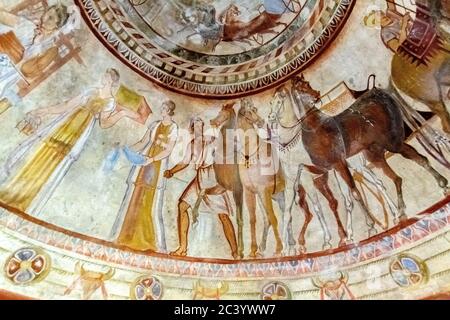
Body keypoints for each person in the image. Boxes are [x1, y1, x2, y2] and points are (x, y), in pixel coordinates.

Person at [0, 68, 134, 215]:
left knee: (54, 162)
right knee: (42, 152)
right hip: (65, 123)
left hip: (80, 131)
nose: (104, 77)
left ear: (112, 81)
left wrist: (121, 114)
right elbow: (66, 105)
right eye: (104, 74)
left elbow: (104, 123)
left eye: (107, 76)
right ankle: (10, 192)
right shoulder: (91, 91)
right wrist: (41, 111)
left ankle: (24, 201)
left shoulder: (110, 102)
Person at [164, 117, 238, 259]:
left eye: (201, 126)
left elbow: (224, 146)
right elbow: (185, 162)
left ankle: (235, 252)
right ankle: (182, 248)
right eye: (197, 126)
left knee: (223, 215)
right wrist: (172, 171)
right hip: (200, 177)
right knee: (182, 206)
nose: (200, 128)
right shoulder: (191, 145)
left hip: (212, 176)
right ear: (192, 128)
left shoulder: (210, 139)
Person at [113, 101, 178, 252]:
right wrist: (127, 148)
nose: (161, 110)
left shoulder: (173, 127)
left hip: (156, 165)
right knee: (136, 196)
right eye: (161, 107)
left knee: (148, 200)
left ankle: (147, 240)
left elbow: (168, 150)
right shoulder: (155, 124)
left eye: (164, 108)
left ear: (169, 110)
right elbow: (143, 141)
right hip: (146, 161)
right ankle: (126, 236)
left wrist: (153, 159)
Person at [0, 3, 76, 113]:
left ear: (57, 25)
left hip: (11, 72)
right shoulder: (28, 25)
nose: (44, 19)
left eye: (50, 18)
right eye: (46, 14)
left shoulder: (51, 48)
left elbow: (27, 70)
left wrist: (36, 44)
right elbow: (2, 17)